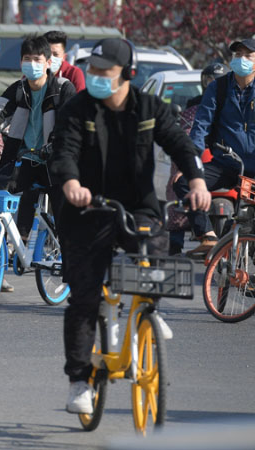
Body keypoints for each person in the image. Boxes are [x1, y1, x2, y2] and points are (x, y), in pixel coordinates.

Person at [49, 38, 210, 414]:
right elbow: (64, 150)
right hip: (87, 210)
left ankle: (150, 310)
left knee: (154, 246)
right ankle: (79, 382)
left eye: (104, 70)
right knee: (85, 297)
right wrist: (70, 182)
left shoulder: (149, 107)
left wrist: (198, 181)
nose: (95, 75)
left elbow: (180, 144)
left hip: (137, 207)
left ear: (127, 73)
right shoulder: (78, 108)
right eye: (92, 69)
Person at [0, 35, 76, 293]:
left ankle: (72, 267)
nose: (32, 64)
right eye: (27, 59)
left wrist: (55, 143)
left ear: (48, 62)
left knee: (64, 215)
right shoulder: (18, 89)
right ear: (21, 62)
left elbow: (69, 124)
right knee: (0, 196)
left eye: (37, 59)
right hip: (22, 158)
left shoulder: (62, 88)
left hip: (56, 163)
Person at [174, 39, 255, 257]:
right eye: (238, 55)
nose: (242, 60)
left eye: (248, 55)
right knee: (184, 183)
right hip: (227, 164)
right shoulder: (218, 88)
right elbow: (200, 128)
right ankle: (208, 235)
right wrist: (190, 165)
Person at [167, 62, 227, 255]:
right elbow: (195, 131)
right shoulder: (196, 104)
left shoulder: (233, 100)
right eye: (208, 80)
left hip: (237, 160)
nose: (212, 84)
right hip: (209, 158)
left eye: (216, 80)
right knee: (179, 183)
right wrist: (187, 164)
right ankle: (180, 240)